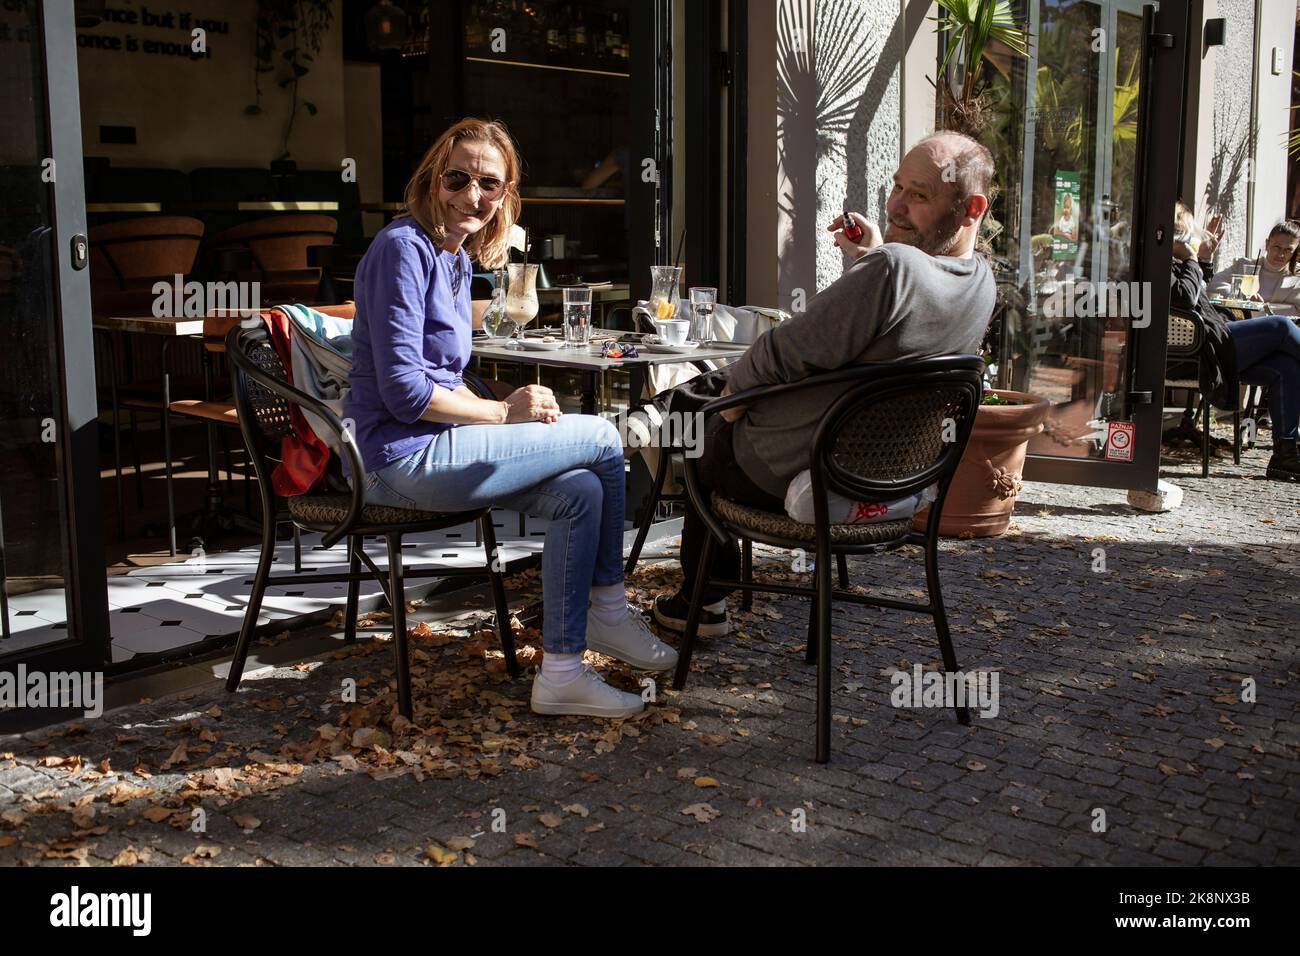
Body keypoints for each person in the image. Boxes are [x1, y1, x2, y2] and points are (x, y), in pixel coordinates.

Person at [345, 118, 676, 720]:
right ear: (431, 180)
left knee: (579, 490)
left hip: (443, 445)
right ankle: (606, 611)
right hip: (398, 458)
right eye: (458, 178)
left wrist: (511, 397)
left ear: (506, 195)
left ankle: (562, 674)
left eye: (489, 184)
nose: (473, 195)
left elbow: (445, 372)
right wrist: (502, 412)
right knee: (603, 434)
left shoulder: (453, 255)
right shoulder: (401, 248)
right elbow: (404, 394)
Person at [652, 131, 998, 637]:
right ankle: (663, 411)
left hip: (786, 468)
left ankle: (701, 602)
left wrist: (731, 406)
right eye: (897, 187)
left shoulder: (894, 269)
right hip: (881, 480)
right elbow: (894, 335)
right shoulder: (981, 283)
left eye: (919, 195)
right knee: (704, 394)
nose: (896, 206)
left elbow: (780, 351)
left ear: (971, 208)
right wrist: (872, 257)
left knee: (702, 428)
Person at [1172, 203, 1300, 481]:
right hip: (1201, 351)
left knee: (1286, 367)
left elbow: (1197, 294)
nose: (1190, 238)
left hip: (1215, 342)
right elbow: (1183, 296)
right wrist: (1193, 260)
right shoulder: (1160, 262)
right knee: (1280, 326)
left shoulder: (1181, 262)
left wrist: (1203, 258)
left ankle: (1285, 456)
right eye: (1187, 232)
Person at [1209, 220, 1300, 316]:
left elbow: (1297, 312)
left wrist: (1261, 308)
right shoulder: (1245, 265)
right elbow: (1213, 285)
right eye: (1277, 247)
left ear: (1295, 251)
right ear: (1267, 244)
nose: (1281, 254)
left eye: (1288, 249)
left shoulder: (1297, 276)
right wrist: (1244, 296)